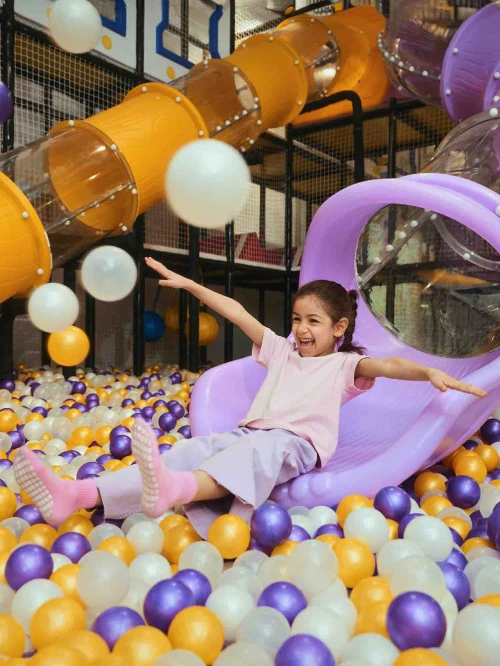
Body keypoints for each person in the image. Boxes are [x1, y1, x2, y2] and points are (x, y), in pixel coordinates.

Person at [14, 258, 487, 538]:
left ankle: (175, 491)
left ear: (339, 330)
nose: (300, 329)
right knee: (189, 450)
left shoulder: (344, 366)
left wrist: (428, 371)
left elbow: (388, 366)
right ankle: (75, 494)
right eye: (297, 318)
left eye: (313, 322)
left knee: (260, 452)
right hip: (249, 432)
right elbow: (238, 312)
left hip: (295, 445)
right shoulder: (281, 350)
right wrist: (191, 285)